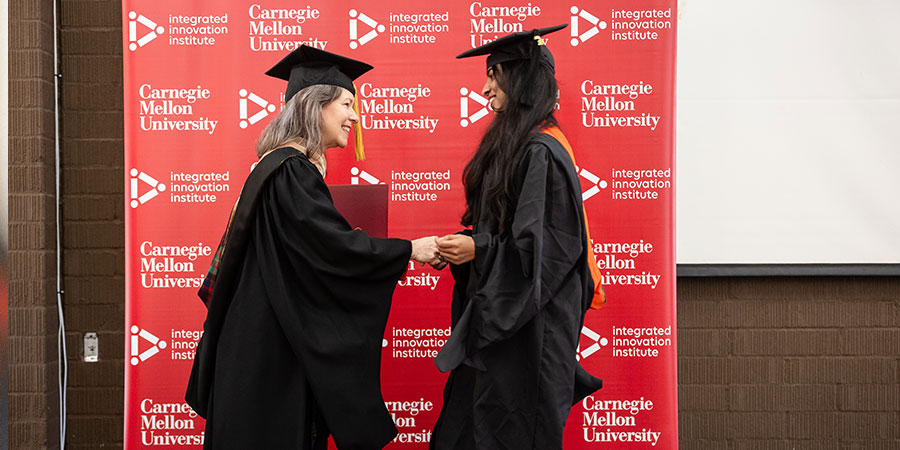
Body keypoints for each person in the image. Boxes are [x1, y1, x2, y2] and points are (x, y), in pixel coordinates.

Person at [185, 45, 440, 450]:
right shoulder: (291, 172)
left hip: (259, 349)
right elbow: (334, 251)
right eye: (346, 103)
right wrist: (410, 250)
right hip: (269, 359)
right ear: (314, 106)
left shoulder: (276, 168)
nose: (355, 116)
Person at [429, 25, 606, 450]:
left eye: (495, 74)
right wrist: (468, 248)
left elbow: (541, 256)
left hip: (530, 333)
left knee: (513, 433)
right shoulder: (516, 146)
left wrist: (480, 249)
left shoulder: (541, 152)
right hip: (502, 325)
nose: (486, 87)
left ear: (522, 77)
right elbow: (510, 236)